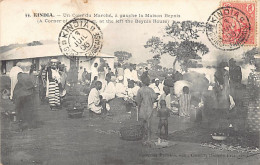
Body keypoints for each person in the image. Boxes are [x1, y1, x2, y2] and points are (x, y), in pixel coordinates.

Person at [136, 76, 158, 142]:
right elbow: (155, 97)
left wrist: (138, 105)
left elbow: (138, 100)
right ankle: (148, 138)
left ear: (142, 82)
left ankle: (143, 138)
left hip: (142, 108)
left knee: (143, 123)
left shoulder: (140, 90)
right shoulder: (151, 90)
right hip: (149, 107)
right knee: (149, 123)